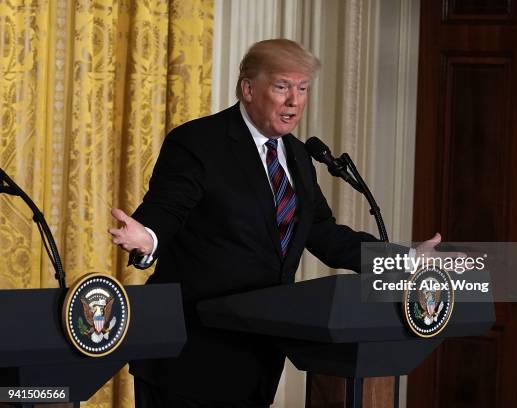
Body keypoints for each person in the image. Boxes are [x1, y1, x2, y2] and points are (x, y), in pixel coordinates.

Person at [109, 39, 442, 407]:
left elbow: (325, 234)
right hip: (190, 356)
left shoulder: (298, 156)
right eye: (282, 86)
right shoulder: (198, 143)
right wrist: (148, 237)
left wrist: (403, 260)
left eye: (302, 89)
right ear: (248, 88)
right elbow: (167, 209)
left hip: (258, 354)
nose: (294, 101)